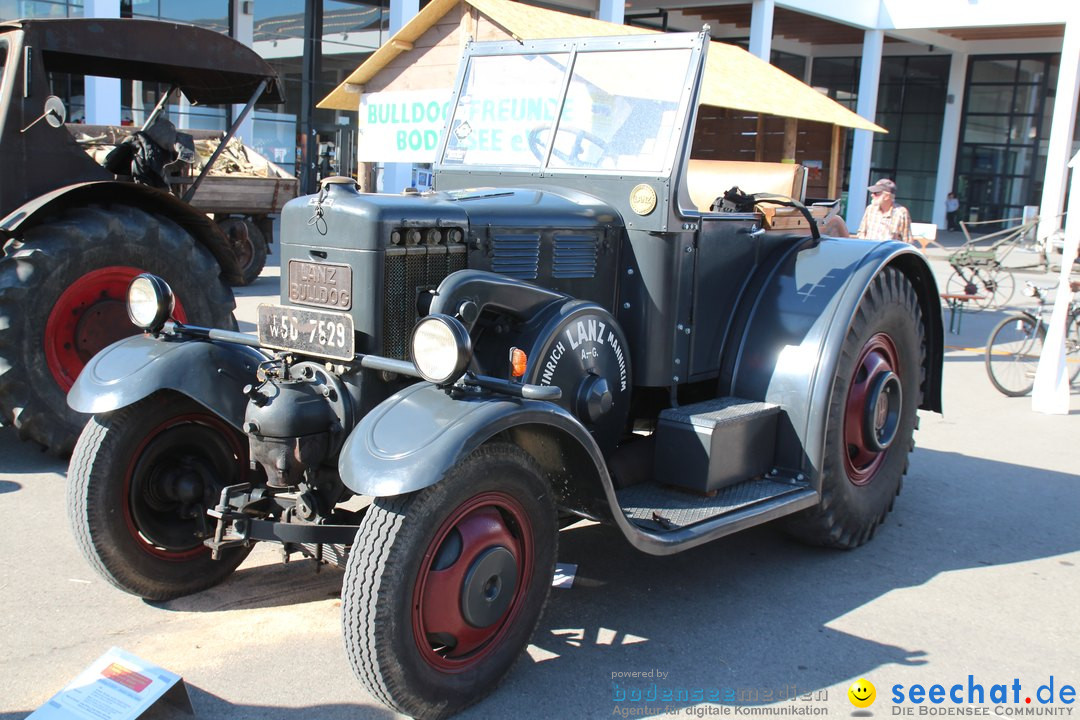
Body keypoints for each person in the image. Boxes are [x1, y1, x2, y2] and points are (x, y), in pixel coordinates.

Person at [856, 178, 913, 244]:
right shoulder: (870, 209)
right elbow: (861, 232)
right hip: (870, 251)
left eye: (876, 193)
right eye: (872, 193)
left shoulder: (901, 213)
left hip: (889, 253)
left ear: (887, 196)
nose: (872, 195)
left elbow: (907, 241)